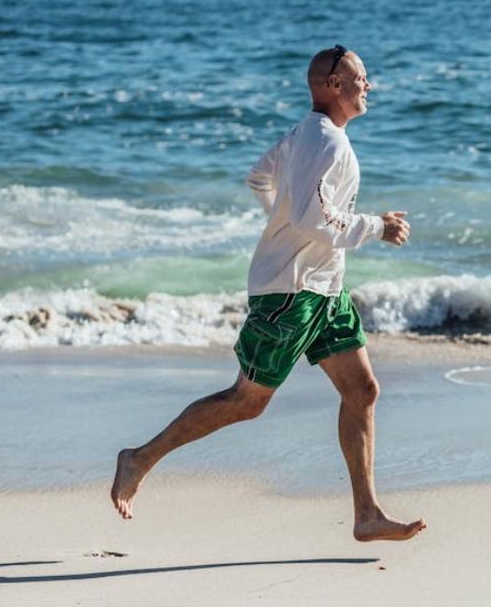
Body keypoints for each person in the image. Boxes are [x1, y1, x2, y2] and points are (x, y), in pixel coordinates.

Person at [110, 45, 426, 542]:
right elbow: (310, 218)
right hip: (290, 294)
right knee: (247, 401)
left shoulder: (308, 134)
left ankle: (366, 515)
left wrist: (284, 226)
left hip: (323, 290)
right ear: (331, 84)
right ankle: (139, 458)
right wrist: (375, 226)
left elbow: (262, 178)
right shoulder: (327, 143)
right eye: (360, 77)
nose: (369, 85)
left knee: (362, 391)